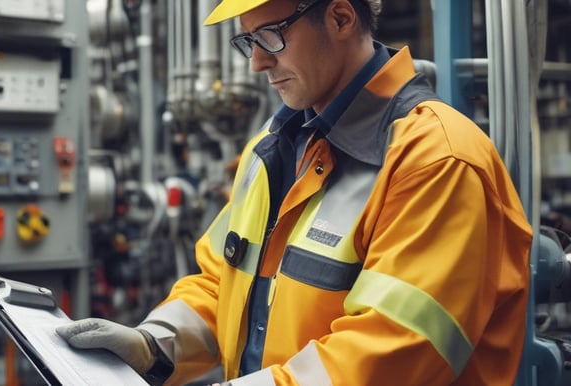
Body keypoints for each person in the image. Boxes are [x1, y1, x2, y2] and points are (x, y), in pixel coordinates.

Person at [55, 0, 534, 384]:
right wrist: (153, 345)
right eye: (249, 41)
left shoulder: (437, 160)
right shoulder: (274, 146)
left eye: (271, 36)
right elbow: (221, 281)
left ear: (341, 17)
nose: (258, 62)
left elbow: (391, 352)